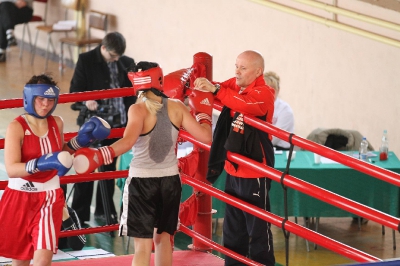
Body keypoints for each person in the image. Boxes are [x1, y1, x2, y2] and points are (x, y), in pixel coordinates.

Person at [72, 61, 213, 266]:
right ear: (160, 80)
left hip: (142, 183)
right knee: (163, 240)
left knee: (143, 247)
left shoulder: (137, 110)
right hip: (170, 181)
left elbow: (127, 142)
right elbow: (206, 137)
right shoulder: (178, 106)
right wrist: (203, 113)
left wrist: (100, 155)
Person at [0, 74, 109, 265]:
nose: (45, 105)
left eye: (50, 100)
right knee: (21, 262)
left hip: (49, 199)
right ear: (30, 98)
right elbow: (12, 169)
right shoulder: (16, 127)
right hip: (20, 198)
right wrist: (42, 162)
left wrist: (81, 141)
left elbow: (61, 154)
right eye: (41, 99)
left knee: (43, 260)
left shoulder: (56, 122)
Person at [194, 50, 276, 265]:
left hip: (255, 170)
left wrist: (217, 89)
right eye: (236, 66)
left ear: (258, 71)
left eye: (243, 68)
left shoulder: (264, 92)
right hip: (233, 167)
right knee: (233, 229)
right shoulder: (235, 84)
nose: (237, 71)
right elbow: (220, 88)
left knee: (258, 230)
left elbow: (243, 104)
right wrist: (200, 83)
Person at [69, 31, 136, 225]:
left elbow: (132, 95)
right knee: (85, 170)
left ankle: (104, 212)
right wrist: (86, 100)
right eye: (112, 56)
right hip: (93, 127)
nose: (115, 60)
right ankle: (79, 215)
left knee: (108, 171)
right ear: (103, 48)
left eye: (118, 57)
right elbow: (74, 94)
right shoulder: (86, 60)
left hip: (117, 127)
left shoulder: (125, 62)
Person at [263, 71, 294, 150]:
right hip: (264, 146)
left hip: (280, 150)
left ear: (278, 90)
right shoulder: (259, 106)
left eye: (272, 89)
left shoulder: (285, 110)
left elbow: (275, 137)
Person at [59, 185, 86, 251]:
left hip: (64, 257)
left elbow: (79, 245)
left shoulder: (70, 213)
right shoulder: (36, 214)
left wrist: (67, 219)